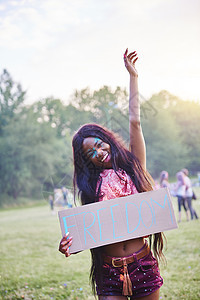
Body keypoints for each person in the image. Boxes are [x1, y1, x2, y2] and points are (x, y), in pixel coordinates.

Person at [59, 49, 164, 299]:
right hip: (108, 270)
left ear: (106, 139)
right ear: (86, 161)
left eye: (98, 144)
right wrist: (69, 245)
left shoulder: (132, 164)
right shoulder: (90, 186)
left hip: (142, 264)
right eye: (90, 153)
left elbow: (135, 122)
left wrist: (133, 77)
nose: (98, 152)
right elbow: (88, 231)